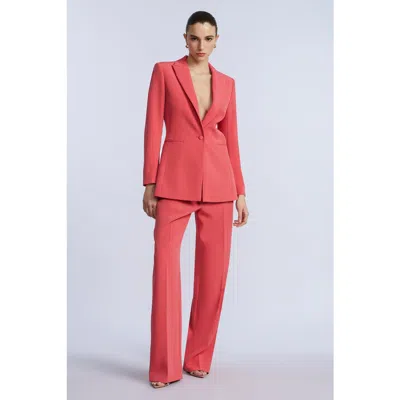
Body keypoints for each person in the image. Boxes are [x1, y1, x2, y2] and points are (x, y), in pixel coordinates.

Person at [142, 10, 249, 389]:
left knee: (213, 276)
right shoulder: (165, 72)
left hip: (219, 186)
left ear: (217, 40)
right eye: (194, 38)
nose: (200, 45)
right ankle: (164, 366)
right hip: (173, 183)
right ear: (185, 38)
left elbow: (231, 138)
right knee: (165, 272)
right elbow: (153, 127)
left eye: (208, 38)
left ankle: (198, 357)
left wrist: (240, 191)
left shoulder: (228, 84)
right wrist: (150, 182)